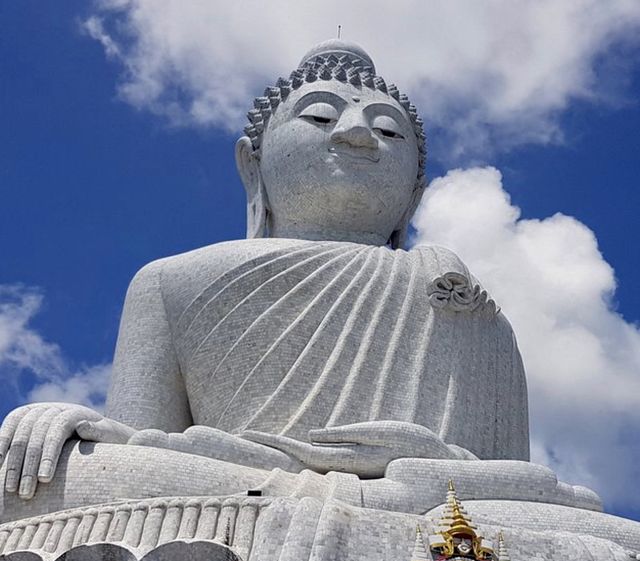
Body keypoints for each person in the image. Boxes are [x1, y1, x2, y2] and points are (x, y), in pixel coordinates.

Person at [1, 40, 581, 521]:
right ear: (252, 165)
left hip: (430, 505)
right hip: (239, 483)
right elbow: (135, 442)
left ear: (414, 192)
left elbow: (517, 484)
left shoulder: (455, 295)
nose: (357, 133)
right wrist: (68, 430)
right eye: (322, 116)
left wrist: (428, 465)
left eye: (390, 131)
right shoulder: (168, 282)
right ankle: (365, 506)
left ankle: (359, 506)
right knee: (51, 477)